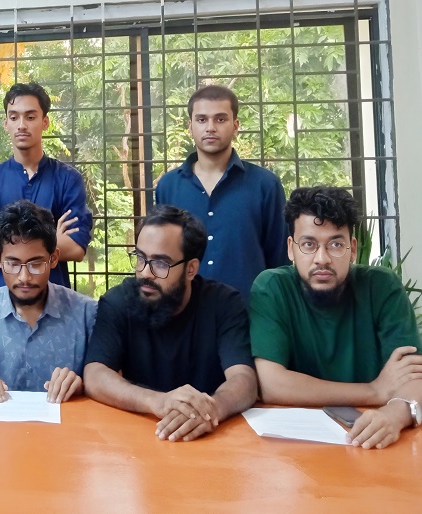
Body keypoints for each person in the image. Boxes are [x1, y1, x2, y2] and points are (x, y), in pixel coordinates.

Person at [251, 186, 422, 449]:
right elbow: (271, 384)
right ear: (291, 249)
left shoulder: (381, 286)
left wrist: (395, 414)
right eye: (309, 244)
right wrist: (374, 391)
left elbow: (414, 376)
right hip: (294, 443)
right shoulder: (272, 288)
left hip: (372, 437)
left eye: (336, 244)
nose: (322, 259)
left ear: (352, 249)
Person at [83, 205, 257, 442]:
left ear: (191, 269)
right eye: (141, 258)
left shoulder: (224, 303)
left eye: (161, 263)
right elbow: (95, 374)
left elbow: (244, 379)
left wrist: (212, 409)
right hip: (139, 435)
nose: (146, 273)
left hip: (210, 437)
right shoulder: (118, 302)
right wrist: (155, 401)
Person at [155, 84, 288, 300]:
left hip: (249, 311)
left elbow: (279, 260)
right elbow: (161, 256)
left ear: (235, 126)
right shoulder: (169, 185)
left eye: (220, 119)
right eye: (201, 120)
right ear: (190, 127)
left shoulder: (265, 185)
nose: (210, 128)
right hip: (184, 312)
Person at [0, 82, 93, 293]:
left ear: (45, 122)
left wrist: (4, 242)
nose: (22, 125)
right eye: (14, 117)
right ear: (6, 123)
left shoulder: (68, 179)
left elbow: (76, 249)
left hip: (55, 299)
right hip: (0, 301)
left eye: (30, 117)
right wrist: (52, 240)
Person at [0, 200, 97, 404]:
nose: (24, 277)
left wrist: (82, 385)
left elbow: (107, 380)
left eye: (36, 264)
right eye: (13, 264)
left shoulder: (87, 314)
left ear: (54, 258)